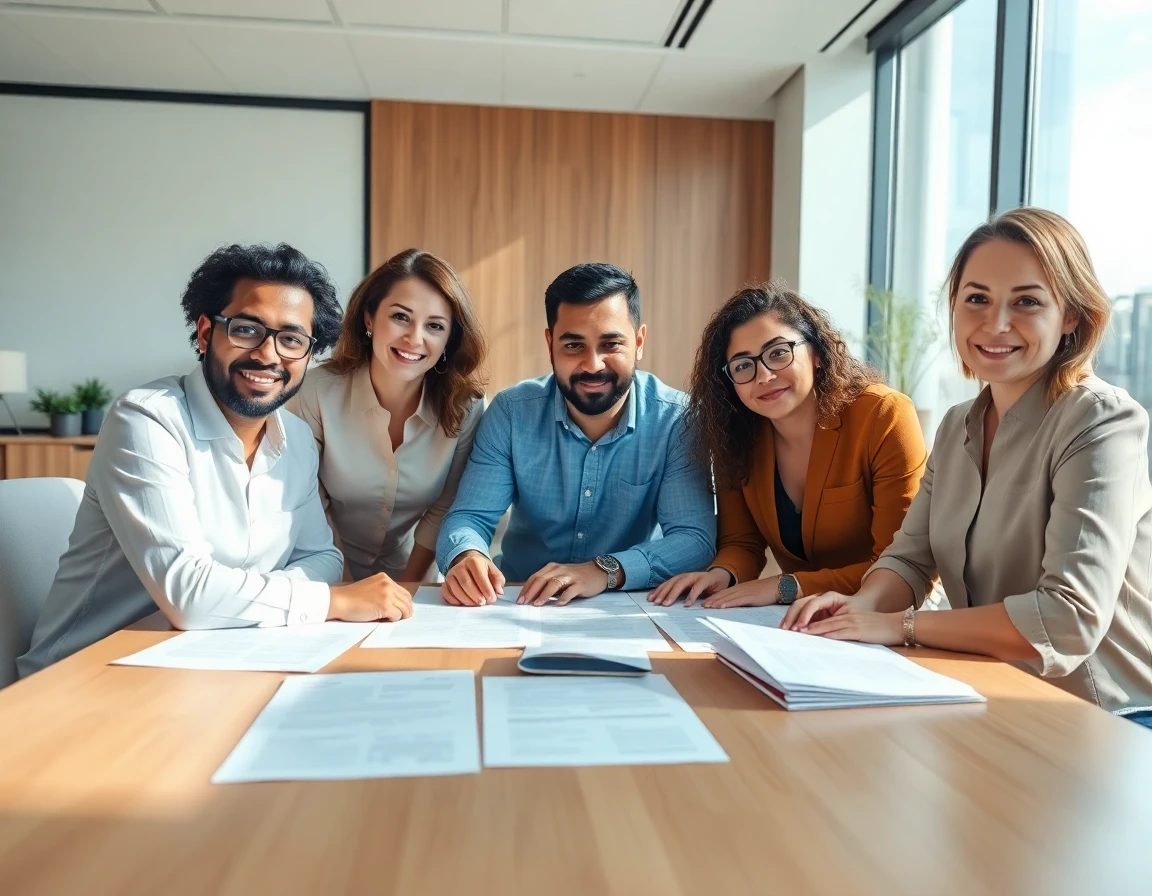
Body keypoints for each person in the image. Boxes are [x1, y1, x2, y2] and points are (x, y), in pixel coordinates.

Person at [783, 207, 1152, 715]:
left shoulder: (1101, 422)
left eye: (1026, 301)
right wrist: (858, 608)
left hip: (1107, 716)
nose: (996, 323)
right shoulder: (958, 424)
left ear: (1070, 316)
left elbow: (1068, 619)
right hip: (992, 695)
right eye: (976, 298)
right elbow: (910, 558)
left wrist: (898, 626)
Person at [19, 244, 412, 677]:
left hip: (209, 662)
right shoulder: (148, 420)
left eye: (292, 340)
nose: (268, 354)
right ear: (206, 333)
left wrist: (232, 599)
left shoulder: (296, 438)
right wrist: (332, 601)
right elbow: (188, 593)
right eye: (247, 329)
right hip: (84, 676)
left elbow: (321, 558)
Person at [435, 262, 715, 607]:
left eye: (611, 344)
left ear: (639, 342)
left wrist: (604, 570)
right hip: (520, 603)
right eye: (573, 346)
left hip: (630, 606)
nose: (593, 364)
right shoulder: (511, 413)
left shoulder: (678, 420)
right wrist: (467, 555)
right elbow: (469, 517)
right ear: (550, 343)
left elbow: (694, 539)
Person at [648, 283, 927, 610]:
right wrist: (722, 573)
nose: (763, 376)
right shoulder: (735, 435)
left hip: (883, 617)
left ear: (817, 353)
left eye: (778, 353)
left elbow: (900, 564)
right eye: (742, 366)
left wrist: (789, 585)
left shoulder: (883, 415)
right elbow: (742, 542)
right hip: (799, 624)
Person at [289, 248, 487, 583]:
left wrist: (408, 586)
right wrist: (350, 587)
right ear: (369, 318)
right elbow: (310, 502)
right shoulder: (314, 392)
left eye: (435, 326)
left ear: (449, 339)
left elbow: (444, 507)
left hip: (413, 575)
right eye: (400, 317)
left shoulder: (465, 406)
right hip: (319, 574)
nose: (414, 338)